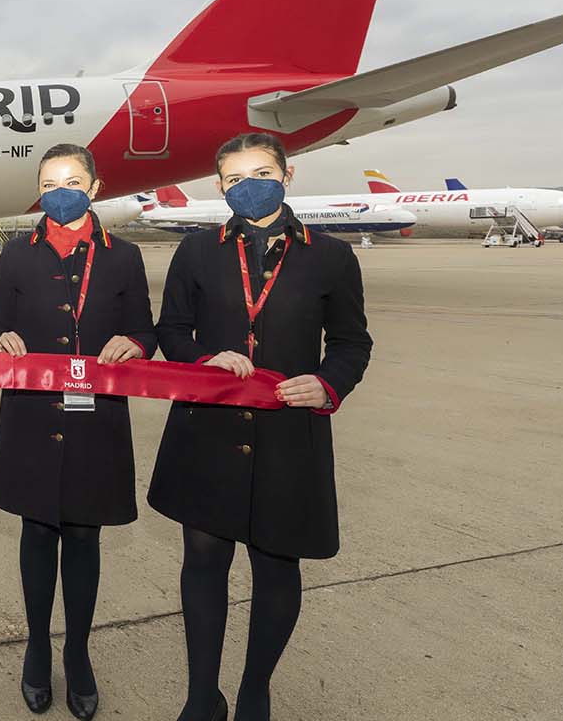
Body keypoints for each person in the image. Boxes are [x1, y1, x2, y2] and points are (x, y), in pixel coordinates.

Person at [150, 133, 372, 721]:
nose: (248, 185)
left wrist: (328, 384)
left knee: (277, 565)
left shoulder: (330, 256)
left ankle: (254, 690)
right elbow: (171, 330)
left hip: (287, 434)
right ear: (220, 187)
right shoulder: (196, 252)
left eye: (261, 172)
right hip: (209, 428)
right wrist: (202, 359)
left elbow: (351, 343)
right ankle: (202, 696)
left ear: (288, 175)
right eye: (234, 178)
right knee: (203, 562)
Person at [0, 144, 156, 718]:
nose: (61, 191)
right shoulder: (15, 255)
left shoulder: (123, 257)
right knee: (37, 531)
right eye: (50, 182)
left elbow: (144, 330)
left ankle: (77, 652)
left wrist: (136, 344)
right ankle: (36, 645)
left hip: (95, 415)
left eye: (73, 181)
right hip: (33, 411)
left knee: (84, 535)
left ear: (96, 187)